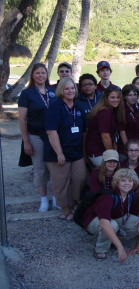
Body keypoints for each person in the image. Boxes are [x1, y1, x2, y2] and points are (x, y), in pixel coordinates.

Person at [82, 169, 139, 262]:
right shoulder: (108, 196)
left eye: (130, 181)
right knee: (111, 226)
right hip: (94, 221)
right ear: (117, 182)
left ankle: (111, 240)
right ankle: (100, 249)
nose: (127, 183)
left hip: (114, 219)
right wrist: (120, 247)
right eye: (123, 180)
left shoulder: (131, 195)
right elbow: (104, 223)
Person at [44, 78, 87, 220]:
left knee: (79, 178)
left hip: (76, 151)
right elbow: (51, 131)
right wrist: (59, 153)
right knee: (61, 182)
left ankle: (74, 202)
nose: (70, 91)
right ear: (61, 90)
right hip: (58, 153)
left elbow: (84, 130)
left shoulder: (78, 107)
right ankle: (65, 208)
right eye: (67, 88)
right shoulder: (55, 107)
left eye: (73, 88)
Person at [18, 63, 58, 212]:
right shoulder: (27, 94)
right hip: (36, 135)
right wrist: (26, 141)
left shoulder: (53, 91)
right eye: (38, 73)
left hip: (53, 135)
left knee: (54, 168)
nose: (41, 75)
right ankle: (43, 200)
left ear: (47, 75)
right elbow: (22, 119)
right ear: (33, 75)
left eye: (43, 73)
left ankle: (56, 198)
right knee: (40, 168)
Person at [85, 86, 125, 167]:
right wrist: (112, 155)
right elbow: (105, 136)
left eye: (118, 97)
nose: (116, 100)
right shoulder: (105, 112)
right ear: (106, 98)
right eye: (112, 97)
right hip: (98, 152)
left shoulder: (111, 110)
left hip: (101, 150)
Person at [119, 84, 139, 156]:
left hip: (136, 145)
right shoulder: (122, 110)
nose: (133, 97)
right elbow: (122, 132)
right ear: (125, 96)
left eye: (135, 95)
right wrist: (128, 149)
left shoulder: (137, 108)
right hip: (126, 147)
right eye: (130, 95)